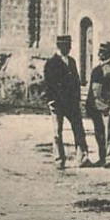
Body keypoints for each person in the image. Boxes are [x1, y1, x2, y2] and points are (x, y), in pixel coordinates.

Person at [43, 34, 90, 170]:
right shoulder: (51, 63)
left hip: (72, 104)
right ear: (60, 46)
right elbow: (49, 85)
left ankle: (82, 158)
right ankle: (59, 160)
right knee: (57, 132)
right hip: (58, 104)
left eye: (70, 45)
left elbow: (76, 82)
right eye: (67, 46)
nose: (69, 48)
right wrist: (52, 101)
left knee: (79, 130)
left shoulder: (72, 62)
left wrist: (77, 99)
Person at [86, 41, 110, 168]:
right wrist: (88, 104)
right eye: (100, 51)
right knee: (99, 133)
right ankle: (102, 158)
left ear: (109, 54)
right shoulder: (96, 69)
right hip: (96, 106)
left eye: (104, 52)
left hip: (107, 107)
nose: (100, 54)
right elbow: (91, 88)